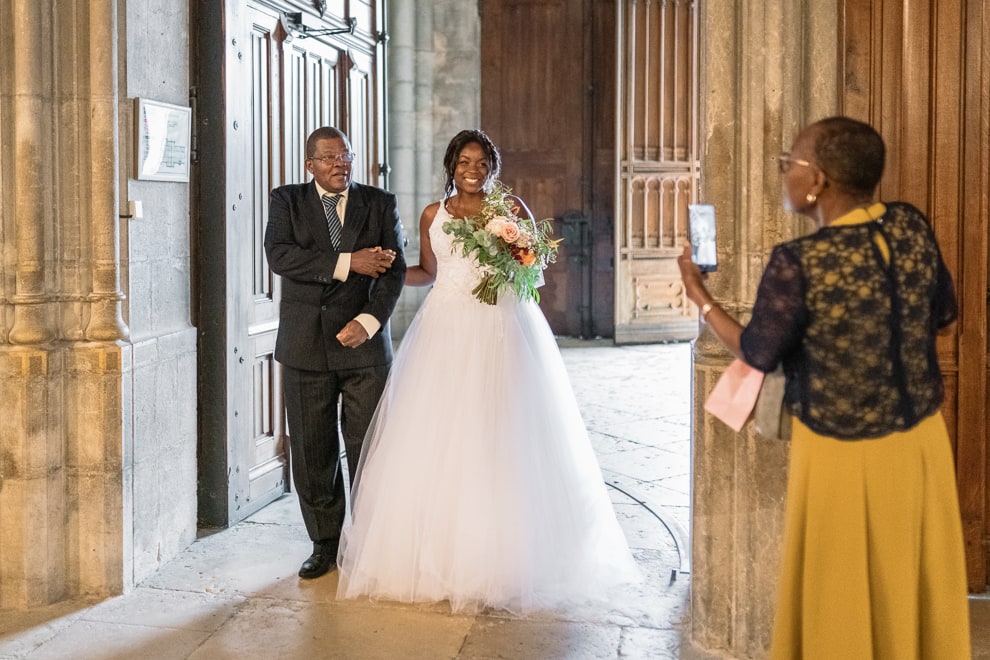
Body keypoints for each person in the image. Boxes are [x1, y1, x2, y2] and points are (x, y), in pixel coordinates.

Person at [678, 116, 970, 658]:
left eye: (790, 161)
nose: (784, 171)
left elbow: (758, 351)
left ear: (818, 181)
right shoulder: (909, 226)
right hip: (920, 443)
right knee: (910, 582)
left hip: (841, 453)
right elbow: (947, 318)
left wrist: (701, 296)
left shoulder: (800, 262)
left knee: (843, 595)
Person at [336, 129, 639, 614]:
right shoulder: (433, 214)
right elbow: (430, 273)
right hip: (444, 328)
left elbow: (532, 266)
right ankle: (437, 556)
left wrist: (520, 255)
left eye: (481, 163)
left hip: (500, 324)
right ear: (451, 166)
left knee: (501, 431)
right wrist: (383, 271)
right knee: (440, 434)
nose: (472, 170)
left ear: (492, 168)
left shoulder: (510, 209)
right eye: (464, 162)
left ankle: (502, 558)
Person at [264, 126, 406, 580]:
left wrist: (367, 322)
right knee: (312, 452)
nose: (340, 164)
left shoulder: (380, 203)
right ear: (311, 165)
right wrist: (351, 262)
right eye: (328, 158)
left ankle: (369, 543)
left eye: (345, 156)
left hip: (364, 348)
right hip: (305, 347)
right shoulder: (286, 200)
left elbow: (395, 270)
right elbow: (281, 256)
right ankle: (324, 544)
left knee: (369, 449)